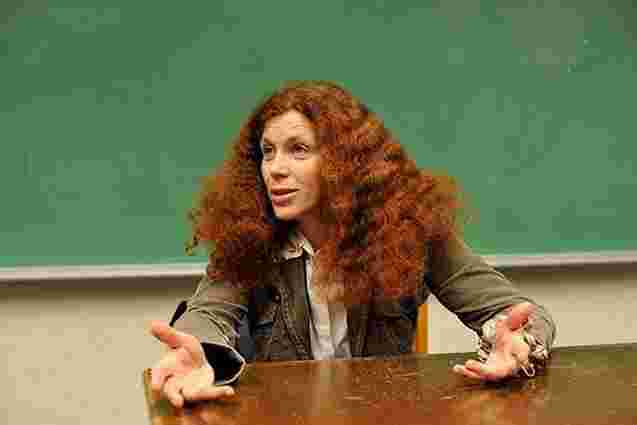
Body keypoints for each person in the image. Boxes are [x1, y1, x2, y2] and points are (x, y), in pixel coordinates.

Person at [149, 80, 556, 408]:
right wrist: (197, 353)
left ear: (345, 161)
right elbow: (209, 311)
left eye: (298, 150)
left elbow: (522, 315)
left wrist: (518, 342)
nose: (275, 169)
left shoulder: (411, 229)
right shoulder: (248, 239)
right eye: (267, 153)